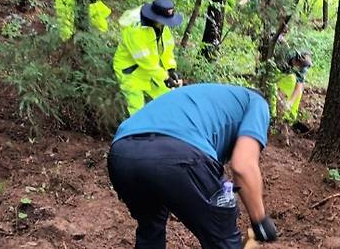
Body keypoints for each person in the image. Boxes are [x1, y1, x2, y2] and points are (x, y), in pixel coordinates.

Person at [107, 84, 278, 249]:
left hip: (122, 153)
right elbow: (243, 165)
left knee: (151, 228)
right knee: (222, 236)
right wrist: (259, 220)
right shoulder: (257, 103)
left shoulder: (208, 97)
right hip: (179, 153)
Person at [113, 0, 183, 115]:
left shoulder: (161, 27)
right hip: (130, 71)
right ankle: (136, 132)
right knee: (137, 109)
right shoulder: (135, 31)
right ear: (156, 17)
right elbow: (145, 61)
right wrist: (165, 77)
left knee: (168, 98)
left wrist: (171, 69)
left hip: (151, 70)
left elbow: (167, 49)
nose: (166, 24)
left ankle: (163, 128)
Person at [276, 50, 312, 121]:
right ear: (296, 60)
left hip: (288, 77)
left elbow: (298, 86)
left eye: (301, 67)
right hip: (279, 75)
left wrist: (290, 103)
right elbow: (273, 78)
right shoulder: (284, 57)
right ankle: (274, 115)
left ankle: (291, 118)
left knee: (299, 92)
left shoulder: (303, 69)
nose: (299, 68)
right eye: (298, 65)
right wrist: (278, 95)